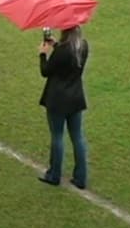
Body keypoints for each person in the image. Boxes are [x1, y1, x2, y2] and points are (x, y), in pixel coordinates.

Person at [37, 26, 90, 190]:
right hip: (75, 98)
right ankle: (81, 177)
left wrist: (43, 53)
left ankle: (54, 175)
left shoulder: (62, 52)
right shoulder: (83, 46)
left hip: (57, 99)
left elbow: (45, 71)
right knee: (77, 137)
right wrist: (56, 45)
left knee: (57, 137)